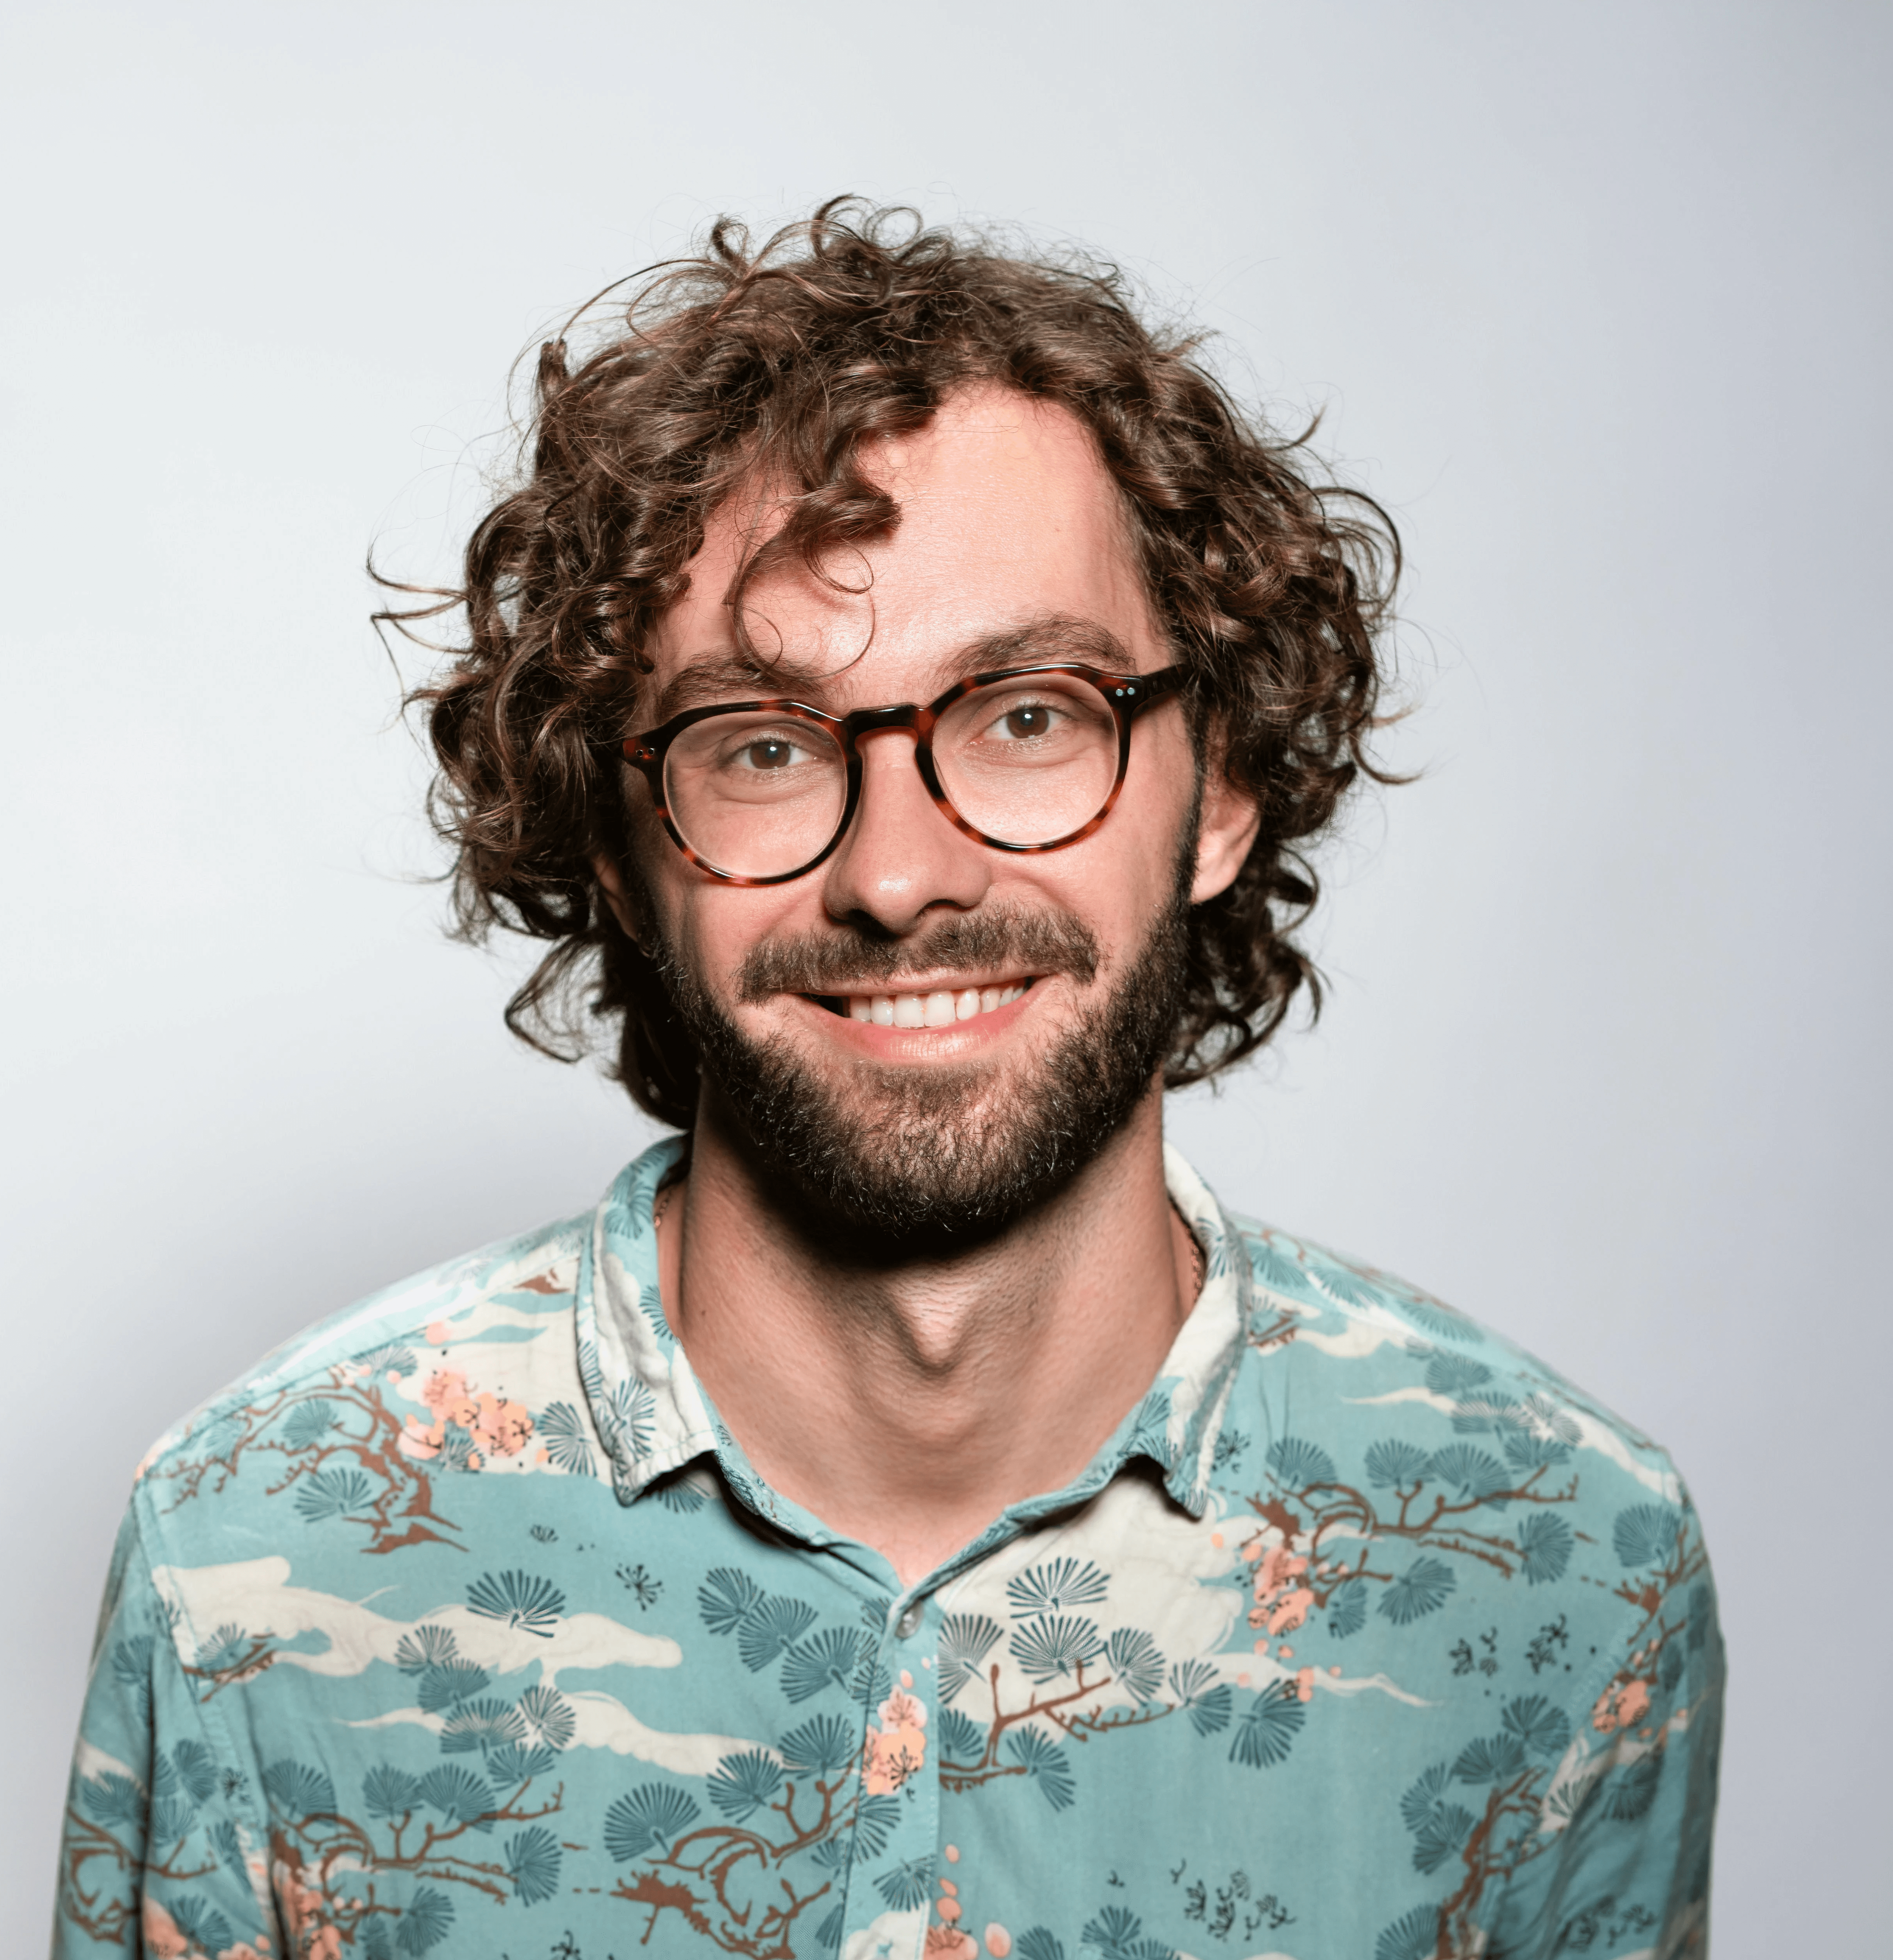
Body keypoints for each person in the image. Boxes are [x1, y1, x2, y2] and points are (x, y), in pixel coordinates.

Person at [52, 202, 1722, 1960]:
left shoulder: (1561, 1568)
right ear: (619, 846)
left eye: (1028, 713)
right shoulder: (256, 1544)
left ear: (1219, 783)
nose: (905, 874)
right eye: (762, 745)